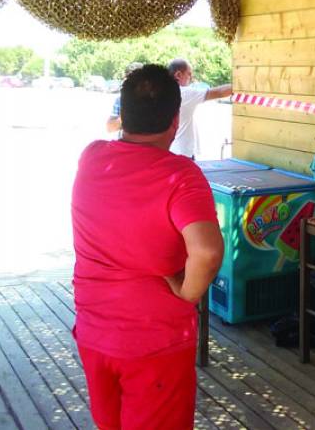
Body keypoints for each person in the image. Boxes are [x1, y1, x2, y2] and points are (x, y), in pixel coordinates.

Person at [72, 64, 224, 430]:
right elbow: (206, 251)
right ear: (175, 121)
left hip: (94, 331)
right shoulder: (180, 175)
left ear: (123, 116)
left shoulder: (91, 157)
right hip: (155, 340)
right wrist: (188, 293)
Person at [168, 59, 233, 159]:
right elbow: (219, 92)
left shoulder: (162, 92)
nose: (191, 78)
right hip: (183, 152)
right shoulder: (184, 93)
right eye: (189, 74)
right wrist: (241, 86)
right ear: (178, 75)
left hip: (169, 150)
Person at [105, 62, 144, 134]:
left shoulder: (154, 101)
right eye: (129, 81)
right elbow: (110, 128)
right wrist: (125, 114)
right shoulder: (120, 100)